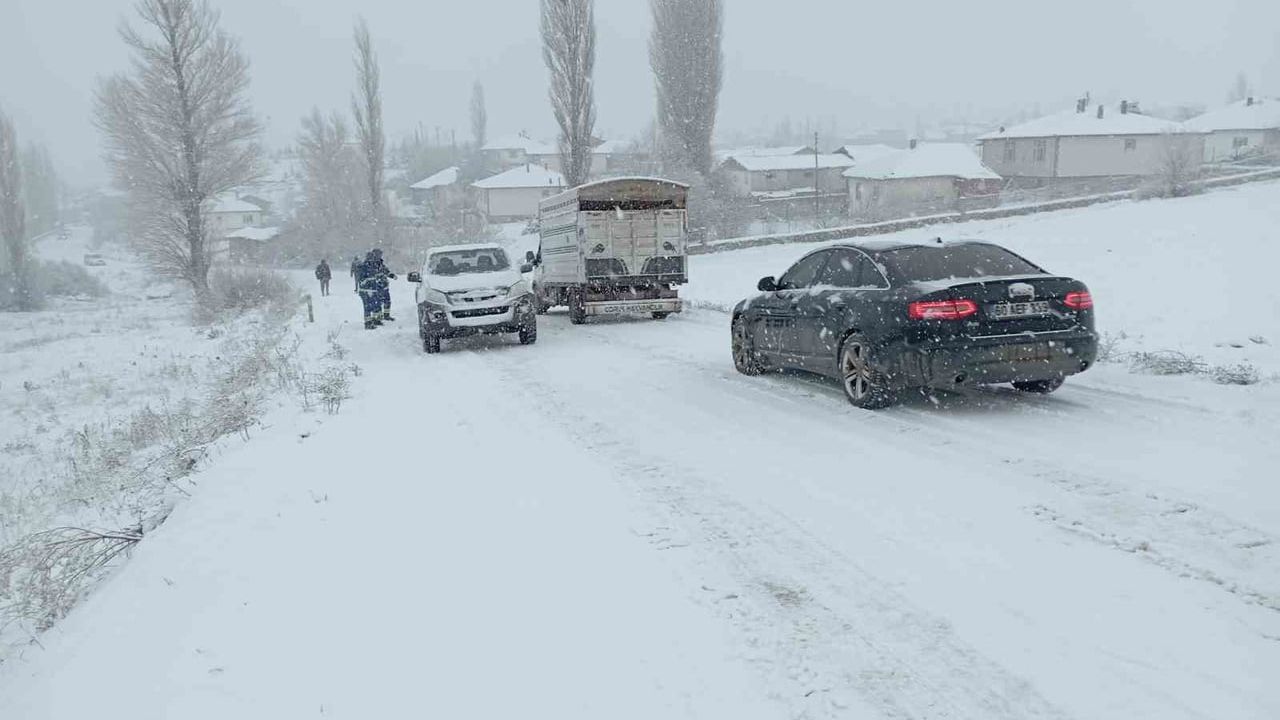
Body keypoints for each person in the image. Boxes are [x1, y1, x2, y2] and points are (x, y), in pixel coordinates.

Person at [357, 251, 383, 329]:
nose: (372, 259)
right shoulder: (364, 266)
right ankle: (367, 323)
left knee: (374, 306)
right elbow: (362, 280)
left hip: (372, 290)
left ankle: (374, 320)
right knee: (367, 307)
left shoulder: (372, 266)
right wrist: (369, 283)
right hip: (366, 290)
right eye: (371, 258)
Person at [370, 248, 397, 323]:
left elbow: (386, 271)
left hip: (384, 285)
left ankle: (386, 315)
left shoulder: (380, 263)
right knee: (377, 303)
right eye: (379, 254)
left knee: (387, 301)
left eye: (380, 254)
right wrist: (377, 278)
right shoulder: (371, 264)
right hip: (376, 286)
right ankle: (377, 318)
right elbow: (372, 274)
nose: (380, 256)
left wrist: (391, 275)